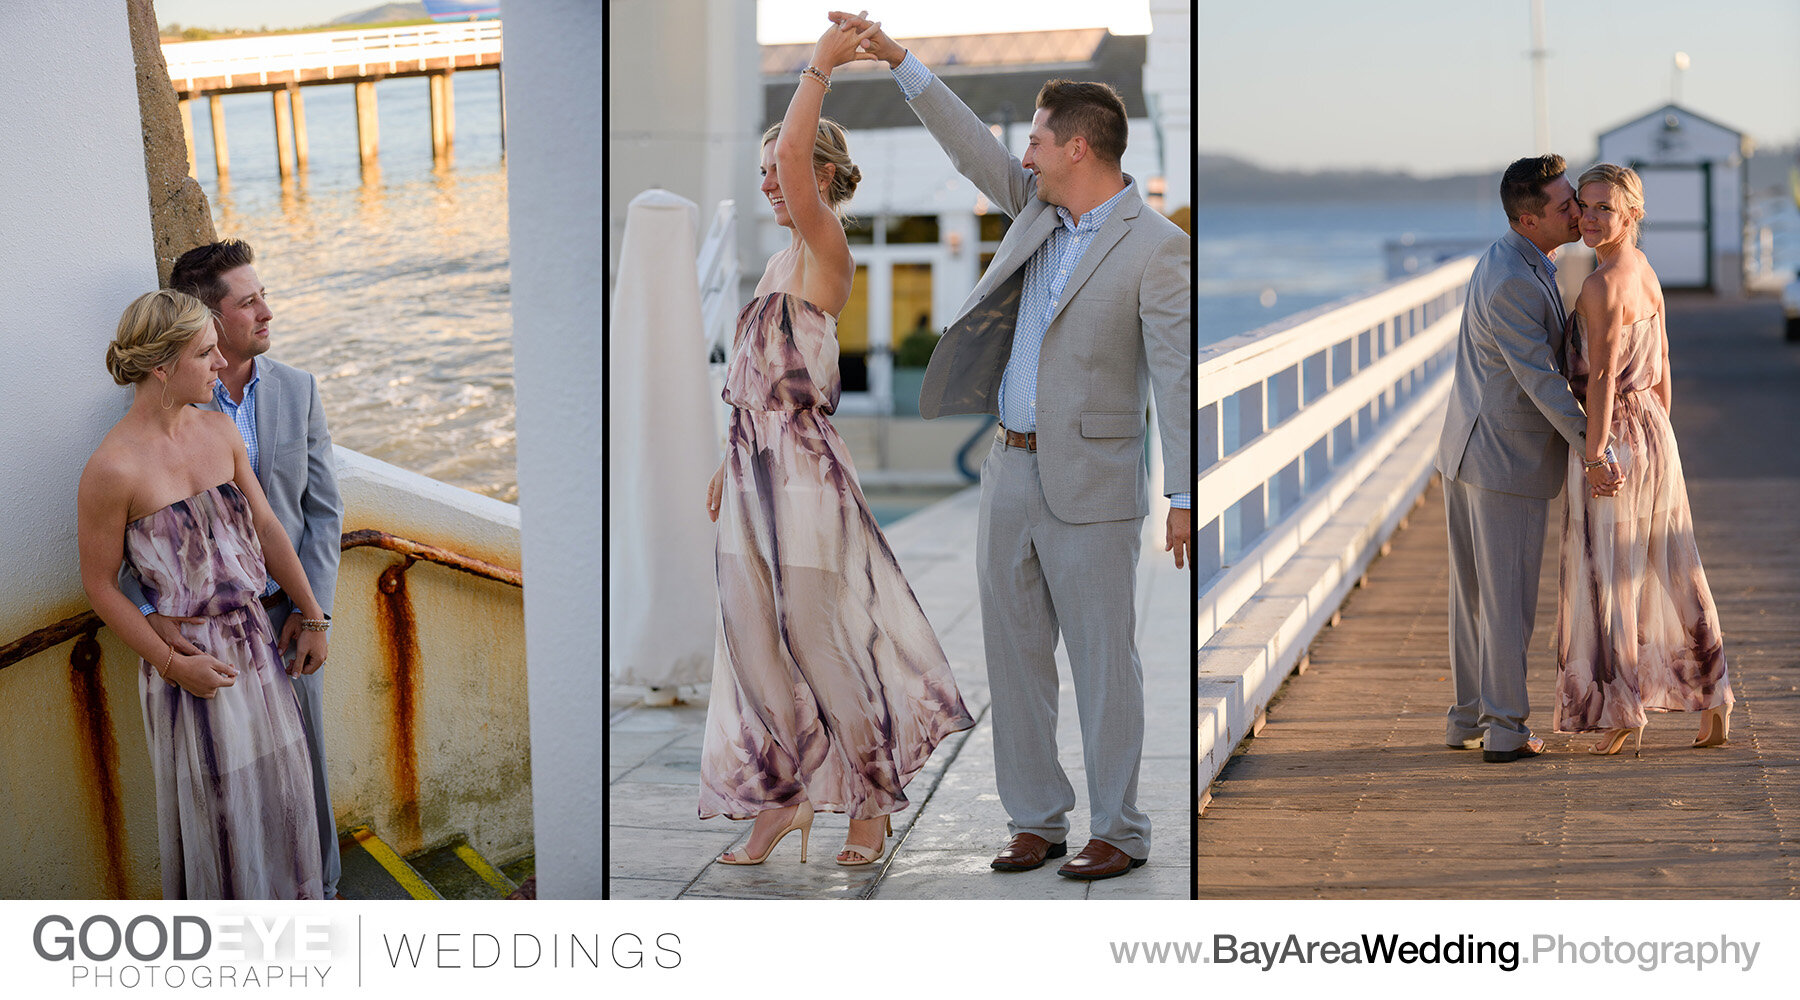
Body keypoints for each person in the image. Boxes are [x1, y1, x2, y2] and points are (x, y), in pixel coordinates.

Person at [836, 13, 1192, 881]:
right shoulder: (1033, 210)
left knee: (1108, 665)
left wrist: (1183, 494)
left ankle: (1121, 829)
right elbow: (965, 146)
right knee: (1015, 659)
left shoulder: (1159, 250)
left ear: (1077, 146)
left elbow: (1177, 380)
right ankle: (1037, 819)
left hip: (1097, 484)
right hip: (1008, 468)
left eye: (1035, 139)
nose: (1023, 154)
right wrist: (897, 60)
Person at [696, 16, 975, 869]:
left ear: (823, 173)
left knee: (817, 638)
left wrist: (821, 62)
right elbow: (756, 384)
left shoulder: (828, 247)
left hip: (807, 482)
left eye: (787, 170)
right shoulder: (777, 263)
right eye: (766, 175)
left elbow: (790, 163)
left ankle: (870, 802)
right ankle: (781, 803)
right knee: (755, 639)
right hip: (753, 476)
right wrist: (725, 464)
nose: (773, 185)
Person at [78, 289, 327, 899]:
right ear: (162, 367)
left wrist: (314, 617)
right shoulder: (112, 471)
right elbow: (100, 587)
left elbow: (266, 528)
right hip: (190, 665)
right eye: (205, 353)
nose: (221, 364)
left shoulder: (220, 431)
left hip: (258, 647)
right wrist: (173, 666)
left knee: (283, 802)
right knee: (222, 819)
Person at [1553, 163, 1732, 754]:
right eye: (1584, 204)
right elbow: (1664, 363)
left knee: (1607, 571)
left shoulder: (1601, 285)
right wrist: (1663, 432)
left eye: (1605, 207)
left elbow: (1602, 375)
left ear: (1632, 212)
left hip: (1616, 435)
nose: (1589, 217)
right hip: (1655, 429)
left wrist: (1595, 451)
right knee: (1676, 561)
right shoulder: (1646, 272)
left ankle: (1622, 709)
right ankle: (1716, 698)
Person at [1436, 154, 1607, 764]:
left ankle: (1465, 718)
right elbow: (1539, 378)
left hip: (1470, 448)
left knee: (1476, 597)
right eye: (1566, 206)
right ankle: (1505, 729)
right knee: (1505, 597)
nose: (1579, 211)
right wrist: (1592, 445)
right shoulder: (1513, 278)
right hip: (1500, 458)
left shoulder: (1512, 258)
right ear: (1530, 219)